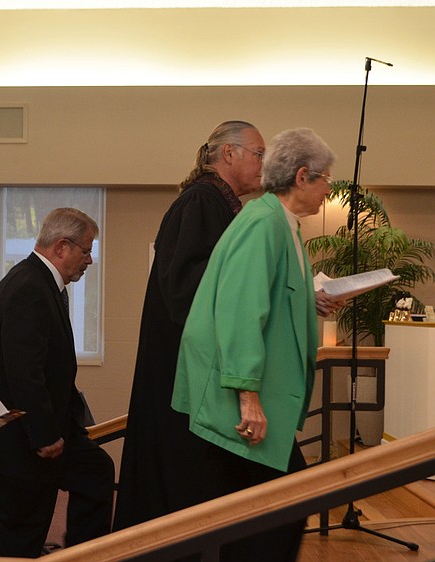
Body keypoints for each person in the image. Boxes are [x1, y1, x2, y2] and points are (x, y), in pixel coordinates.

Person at [171, 128, 336, 561]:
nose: (328, 191)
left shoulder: (282, 224)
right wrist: (249, 397)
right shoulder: (263, 222)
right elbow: (241, 310)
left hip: (255, 397)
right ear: (302, 177)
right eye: (325, 180)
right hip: (241, 400)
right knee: (280, 508)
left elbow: (273, 299)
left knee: (262, 515)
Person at [113, 120, 266, 530]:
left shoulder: (220, 205)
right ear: (228, 154)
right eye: (258, 154)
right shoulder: (201, 203)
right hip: (183, 374)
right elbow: (188, 290)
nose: (263, 165)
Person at [0, 208, 114, 558]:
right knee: (22, 539)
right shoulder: (29, 286)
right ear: (62, 246)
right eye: (86, 251)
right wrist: (45, 434)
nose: (90, 260)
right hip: (23, 441)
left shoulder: (40, 282)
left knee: (96, 472)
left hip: (40, 431)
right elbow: (24, 372)